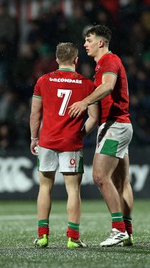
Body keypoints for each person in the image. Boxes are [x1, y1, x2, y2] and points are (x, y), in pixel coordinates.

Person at [68, 25, 134, 247]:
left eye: (88, 40)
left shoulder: (108, 61)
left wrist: (84, 101)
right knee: (121, 181)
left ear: (101, 42)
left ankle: (118, 229)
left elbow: (107, 87)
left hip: (115, 126)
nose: (85, 44)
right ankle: (128, 231)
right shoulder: (103, 64)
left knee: (99, 176)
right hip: (119, 125)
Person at [29, 42, 99, 248]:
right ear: (76, 60)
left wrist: (34, 138)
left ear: (57, 59)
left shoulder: (43, 80)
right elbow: (94, 117)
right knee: (73, 190)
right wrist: (80, 134)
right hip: (71, 143)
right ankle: (72, 237)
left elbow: (35, 114)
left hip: (47, 141)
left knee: (44, 187)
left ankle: (42, 236)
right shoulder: (87, 85)